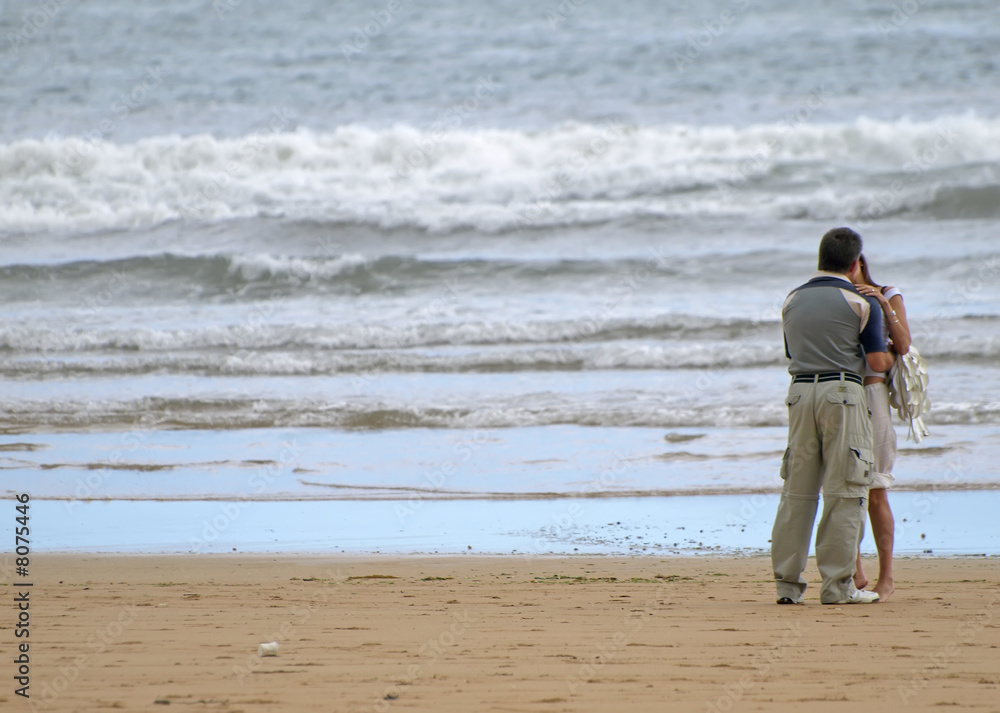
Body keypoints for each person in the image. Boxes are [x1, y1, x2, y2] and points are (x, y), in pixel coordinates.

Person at [771, 227, 894, 605]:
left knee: (797, 491)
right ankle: (838, 586)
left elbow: (792, 351)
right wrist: (893, 356)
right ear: (855, 263)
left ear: (820, 258)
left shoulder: (792, 299)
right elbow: (876, 361)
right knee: (846, 489)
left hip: (799, 393)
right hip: (842, 394)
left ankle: (787, 586)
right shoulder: (862, 302)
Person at [849, 254, 911, 603]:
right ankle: (855, 570)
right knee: (844, 488)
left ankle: (886, 577)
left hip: (872, 392)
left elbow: (903, 345)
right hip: (840, 392)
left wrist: (885, 306)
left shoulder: (888, 292)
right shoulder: (837, 295)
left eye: (850, 265)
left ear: (859, 262)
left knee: (876, 489)